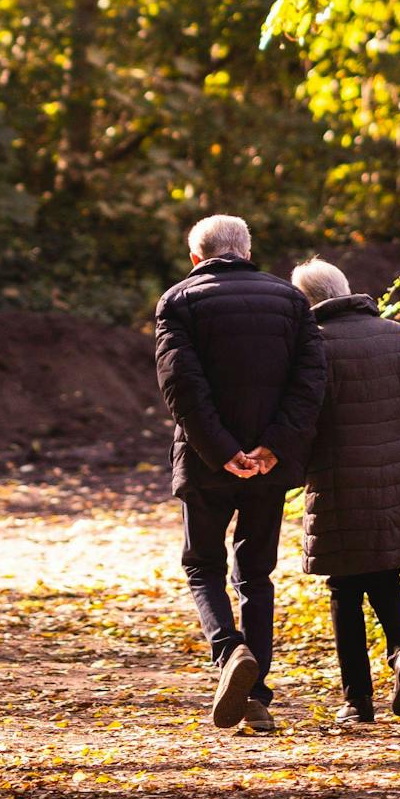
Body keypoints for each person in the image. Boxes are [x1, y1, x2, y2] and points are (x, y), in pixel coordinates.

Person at [155, 214, 327, 733]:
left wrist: (223, 450)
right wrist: (272, 447)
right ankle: (256, 695)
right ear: (248, 251)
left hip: (206, 462)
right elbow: (311, 380)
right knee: (254, 574)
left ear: (195, 258)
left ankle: (230, 653)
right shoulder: (291, 301)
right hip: (269, 467)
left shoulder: (178, 301)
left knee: (202, 566)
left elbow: (181, 386)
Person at [289, 257, 400, 728]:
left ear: (307, 300)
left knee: (344, 588)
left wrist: (301, 469)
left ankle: (358, 702)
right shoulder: (395, 335)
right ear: (345, 288)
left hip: (335, 479)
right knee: (385, 576)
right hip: (392, 475)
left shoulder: (312, 344)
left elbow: (302, 419)